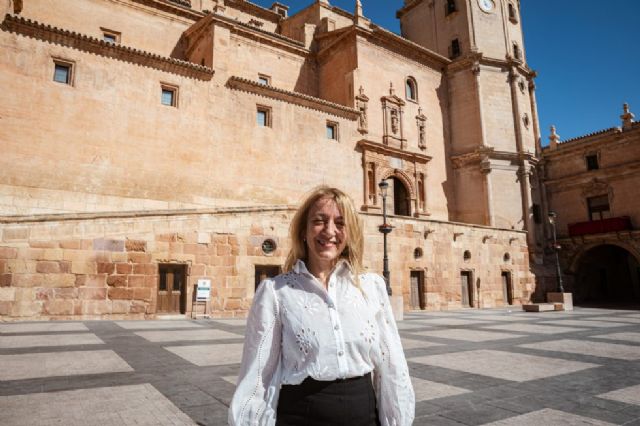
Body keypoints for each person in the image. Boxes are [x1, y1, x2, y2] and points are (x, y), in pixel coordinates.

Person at [229, 186, 414, 426]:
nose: (330, 231)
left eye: (340, 222)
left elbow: (392, 365)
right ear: (303, 231)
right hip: (301, 416)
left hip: (365, 417)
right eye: (319, 221)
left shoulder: (371, 287)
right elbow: (257, 375)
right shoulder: (276, 292)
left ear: (350, 233)